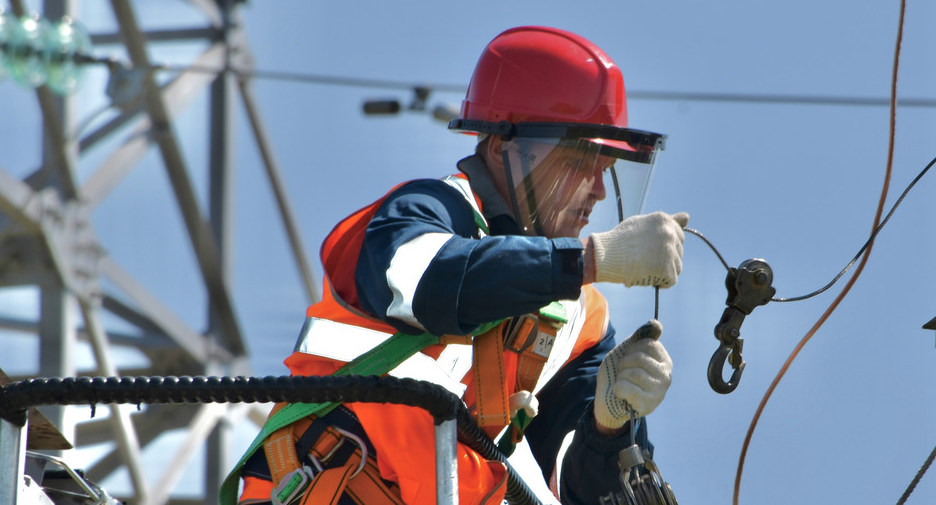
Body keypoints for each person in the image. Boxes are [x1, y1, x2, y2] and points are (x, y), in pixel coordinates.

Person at [233, 25, 687, 505]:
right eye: (578, 161)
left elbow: (585, 491)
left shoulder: (581, 320)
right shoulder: (422, 215)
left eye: (605, 169)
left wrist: (609, 428)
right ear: (501, 149)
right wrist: (590, 260)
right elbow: (431, 283)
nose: (596, 189)